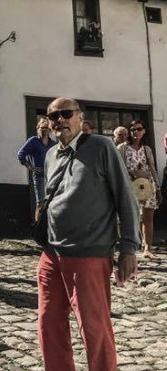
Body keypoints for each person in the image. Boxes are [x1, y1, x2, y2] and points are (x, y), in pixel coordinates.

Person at [38, 97, 139, 371]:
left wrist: (128, 247)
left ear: (79, 117)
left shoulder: (101, 147)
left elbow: (125, 197)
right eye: (53, 115)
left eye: (66, 113)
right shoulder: (49, 155)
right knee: (49, 326)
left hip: (88, 255)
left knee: (94, 330)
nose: (59, 120)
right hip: (51, 253)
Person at [117, 120, 161, 259]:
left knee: (148, 217)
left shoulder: (146, 149)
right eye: (133, 129)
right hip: (130, 185)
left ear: (144, 131)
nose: (136, 132)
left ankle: (147, 247)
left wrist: (158, 188)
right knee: (133, 216)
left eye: (139, 129)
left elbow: (152, 168)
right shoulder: (122, 148)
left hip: (148, 185)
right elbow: (119, 167)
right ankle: (132, 245)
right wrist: (132, 174)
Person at [16, 117, 56, 221]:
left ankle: (47, 229)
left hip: (51, 177)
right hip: (39, 177)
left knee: (51, 204)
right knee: (40, 204)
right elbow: (20, 154)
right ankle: (37, 230)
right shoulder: (33, 141)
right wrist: (30, 167)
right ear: (38, 128)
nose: (44, 130)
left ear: (50, 130)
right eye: (42, 128)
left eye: (46, 128)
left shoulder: (53, 144)